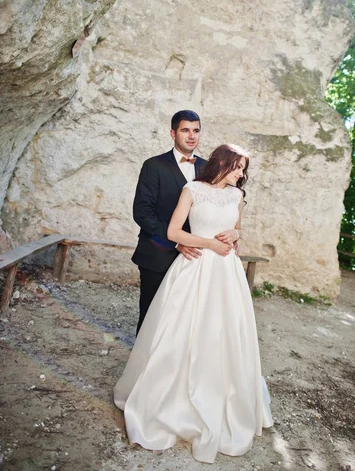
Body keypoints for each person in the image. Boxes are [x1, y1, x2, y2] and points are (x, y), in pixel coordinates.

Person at [114, 144, 273, 463]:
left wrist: (233, 232)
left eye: (244, 169)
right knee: (180, 330)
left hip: (226, 275)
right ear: (222, 164)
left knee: (224, 334)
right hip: (195, 267)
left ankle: (221, 395)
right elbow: (174, 231)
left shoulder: (237, 196)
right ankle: (168, 398)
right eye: (238, 167)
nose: (242, 174)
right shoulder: (192, 190)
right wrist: (209, 243)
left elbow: (237, 230)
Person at [132, 110, 207, 334]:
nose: (191, 136)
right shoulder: (153, 166)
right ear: (173, 133)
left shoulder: (207, 168)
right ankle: (143, 366)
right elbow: (142, 213)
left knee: (184, 319)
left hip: (195, 258)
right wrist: (176, 241)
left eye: (196, 131)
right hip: (158, 253)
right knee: (151, 315)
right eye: (185, 130)